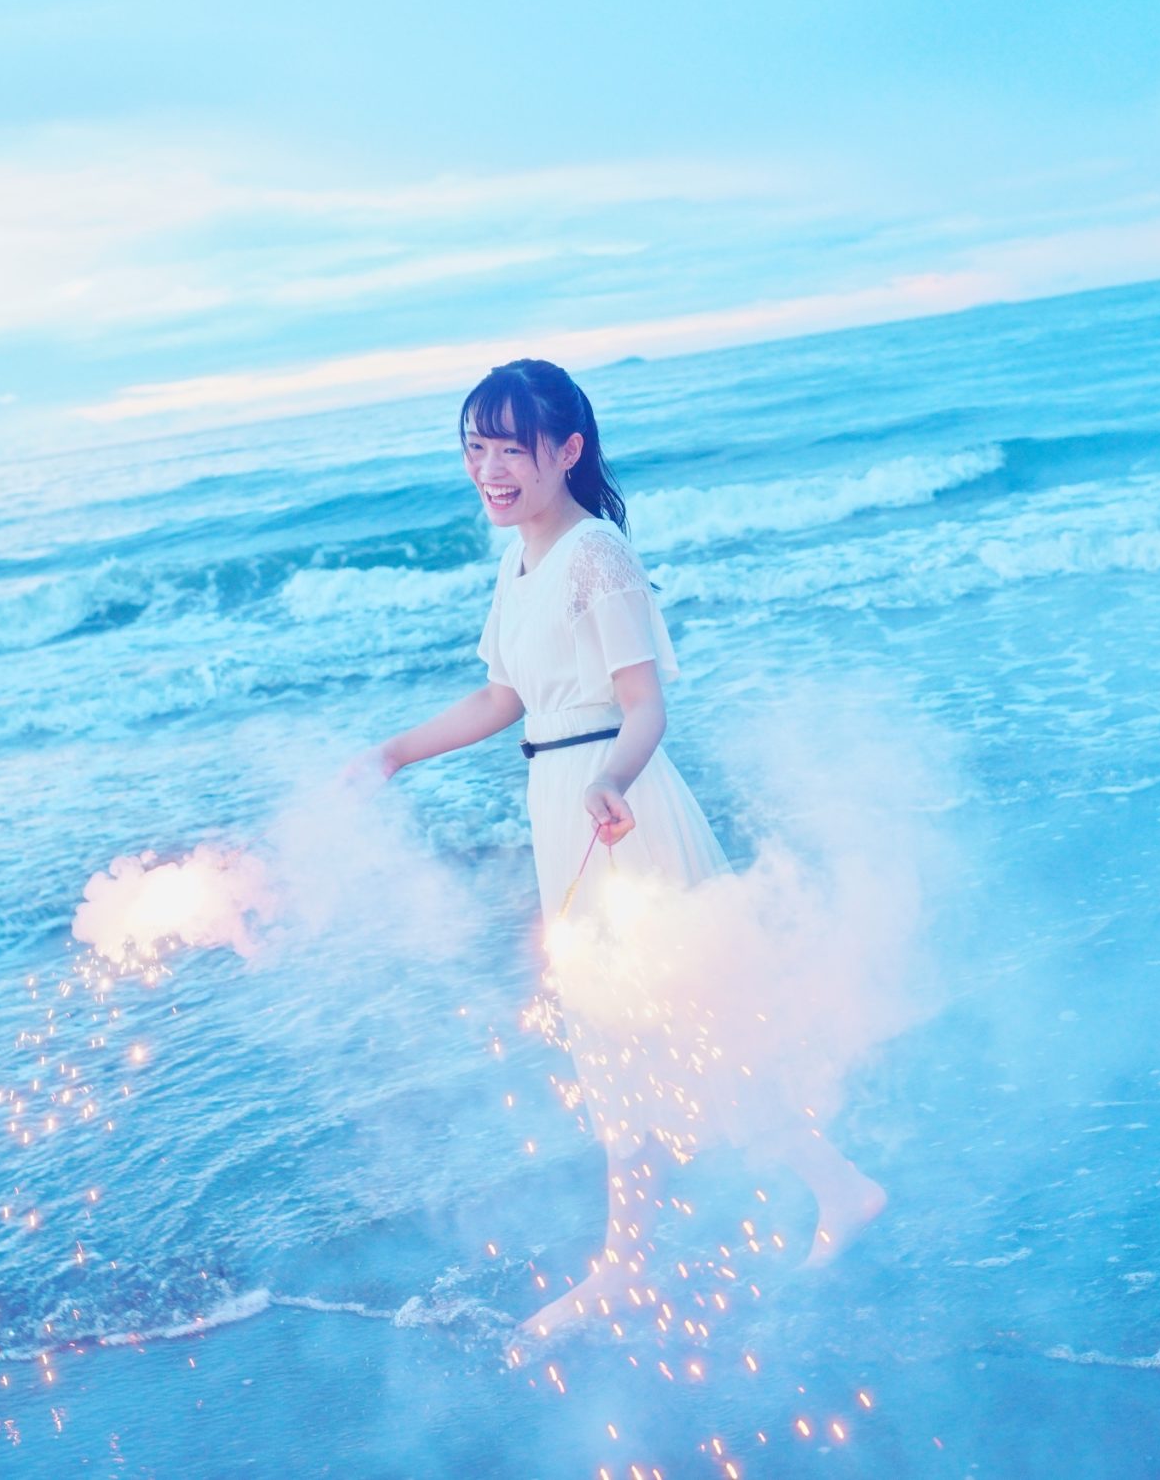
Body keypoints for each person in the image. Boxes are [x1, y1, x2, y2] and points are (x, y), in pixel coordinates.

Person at [352, 358, 885, 1336]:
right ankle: (647, 1254)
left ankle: (817, 1196)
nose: (490, 469)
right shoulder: (518, 564)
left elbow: (645, 706)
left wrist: (611, 782)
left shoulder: (596, 553)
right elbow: (502, 698)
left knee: (685, 1019)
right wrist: (394, 752)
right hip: (561, 803)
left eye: (512, 448)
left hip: (618, 804)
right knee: (612, 1034)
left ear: (567, 450)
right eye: (476, 448)